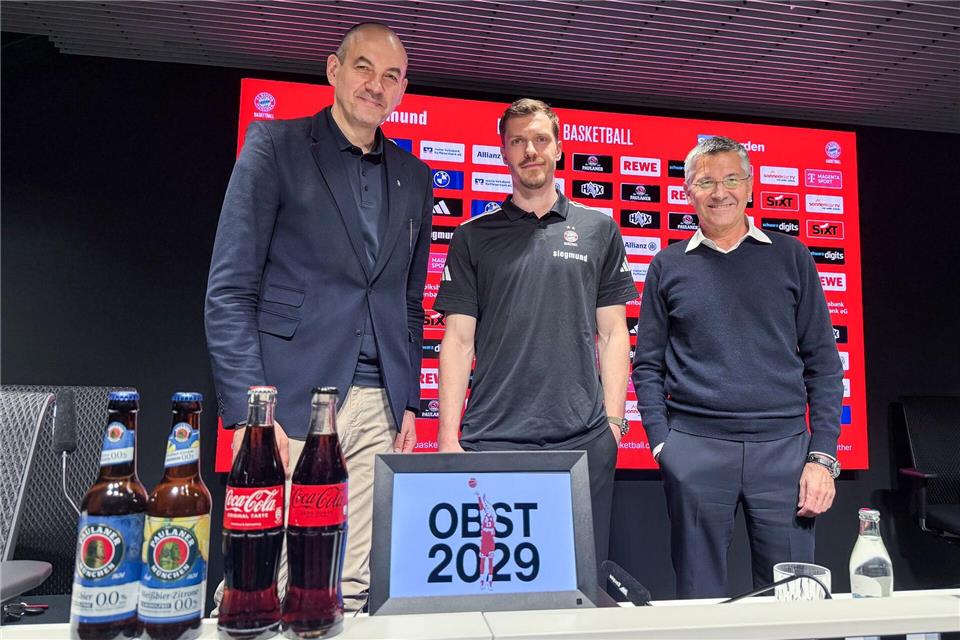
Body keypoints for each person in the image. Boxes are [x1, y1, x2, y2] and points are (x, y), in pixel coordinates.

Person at [204, 22, 433, 610]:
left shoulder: (415, 178)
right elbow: (230, 291)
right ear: (333, 69)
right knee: (259, 582)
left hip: (377, 405)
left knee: (347, 587)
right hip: (287, 402)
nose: (375, 85)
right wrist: (255, 412)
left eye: (391, 76)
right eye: (363, 68)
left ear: (403, 90)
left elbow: (407, 302)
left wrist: (408, 401)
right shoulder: (274, 147)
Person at [631, 135, 843, 598]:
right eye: (705, 181)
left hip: (785, 452)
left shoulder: (792, 257)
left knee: (793, 597)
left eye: (731, 178)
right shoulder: (667, 266)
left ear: (750, 187)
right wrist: (664, 446)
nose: (719, 191)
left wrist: (822, 457)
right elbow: (646, 366)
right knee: (699, 596)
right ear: (688, 192)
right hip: (696, 450)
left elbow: (825, 367)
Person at [434, 98, 637, 570]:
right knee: (492, 580)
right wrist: (448, 437)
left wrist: (612, 425)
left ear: (559, 148)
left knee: (580, 579)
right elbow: (458, 340)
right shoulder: (472, 236)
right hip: (493, 438)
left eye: (540, 140)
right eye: (519, 141)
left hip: (582, 439)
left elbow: (613, 334)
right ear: (504, 152)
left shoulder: (598, 229)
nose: (531, 150)